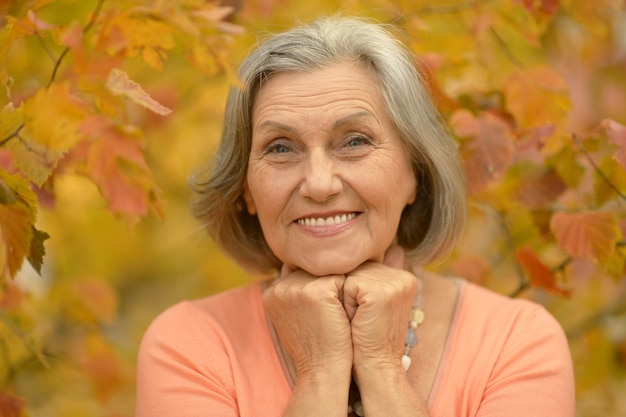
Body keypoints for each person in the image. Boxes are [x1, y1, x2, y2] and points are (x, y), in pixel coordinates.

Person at [135, 16, 575, 417]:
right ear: (246, 191)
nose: (319, 184)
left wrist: (381, 366)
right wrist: (320, 370)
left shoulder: (517, 342)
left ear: (415, 173)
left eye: (355, 142)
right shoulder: (190, 343)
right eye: (281, 148)